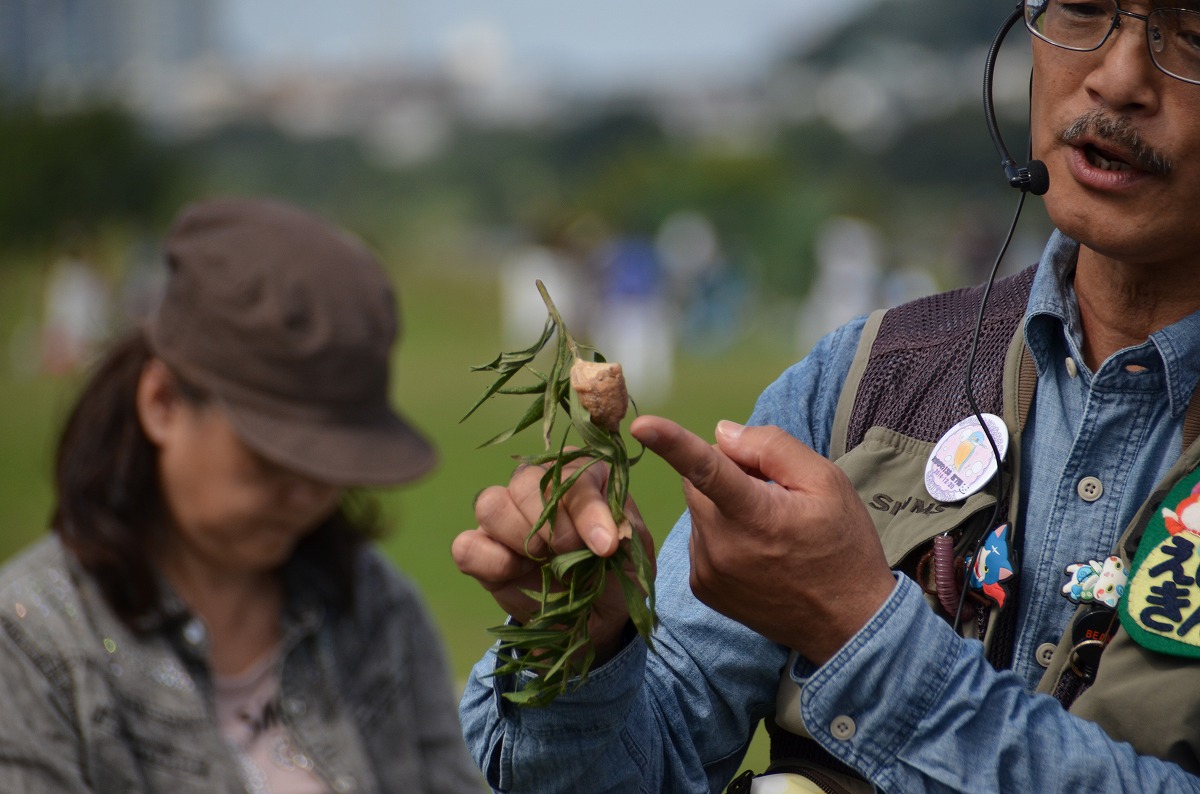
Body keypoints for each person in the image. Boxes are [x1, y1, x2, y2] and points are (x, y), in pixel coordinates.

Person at [452, 1, 1200, 791]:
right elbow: (649, 760)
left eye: (1193, 31)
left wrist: (858, 629)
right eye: (1083, 8)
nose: (1117, 79)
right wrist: (585, 646)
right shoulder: (866, 376)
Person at [0, 198, 481, 793]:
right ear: (163, 403)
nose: (307, 493)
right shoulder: (32, 644)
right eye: (272, 459)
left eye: (334, 466)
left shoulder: (373, 608)